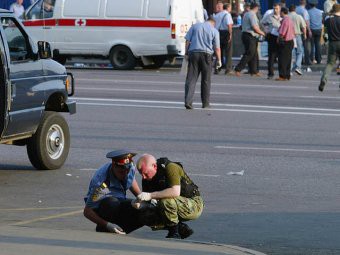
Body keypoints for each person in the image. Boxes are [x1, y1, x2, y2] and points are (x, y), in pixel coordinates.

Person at [135, 154, 204, 239]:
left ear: (154, 166)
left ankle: (174, 233)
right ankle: (180, 227)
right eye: (141, 174)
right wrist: (140, 204)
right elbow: (149, 200)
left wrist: (150, 195)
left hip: (193, 204)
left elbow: (175, 192)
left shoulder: (171, 167)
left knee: (166, 201)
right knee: (144, 215)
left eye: (145, 173)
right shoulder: (147, 179)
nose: (143, 177)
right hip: (173, 204)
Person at [83, 149, 145, 234]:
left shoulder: (130, 168)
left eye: (127, 171)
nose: (125, 174)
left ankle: (123, 230)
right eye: (121, 172)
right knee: (112, 203)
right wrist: (107, 225)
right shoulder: (102, 185)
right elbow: (87, 211)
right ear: (113, 166)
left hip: (120, 201)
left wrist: (142, 198)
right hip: (105, 206)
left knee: (142, 209)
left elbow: (131, 181)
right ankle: (104, 228)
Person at [184, 17, 221, 110]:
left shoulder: (195, 26)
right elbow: (217, 48)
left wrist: (186, 53)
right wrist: (219, 60)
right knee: (206, 80)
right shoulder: (214, 30)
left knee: (191, 79)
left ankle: (188, 102)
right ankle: (205, 103)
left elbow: (187, 41)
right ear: (213, 23)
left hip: (193, 54)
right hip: (207, 56)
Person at [234, 3, 265, 77]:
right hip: (250, 35)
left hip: (246, 35)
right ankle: (237, 69)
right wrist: (263, 33)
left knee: (254, 54)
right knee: (250, 53)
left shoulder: (246, 14)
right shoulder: (252, 15)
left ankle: (254, 71)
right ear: (256, 8)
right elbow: (255, 27)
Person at [319, 4, 340, 91]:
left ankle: (324, 80)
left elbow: (325, 28)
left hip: (332, 44)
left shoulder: (329, 20)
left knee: (330, 64)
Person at [261, 3, 282, 79]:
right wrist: (266, 30)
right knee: (271, 56)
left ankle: (282, 74)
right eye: (274, 8)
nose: (275, 10)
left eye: (276, 8)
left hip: (281, 37)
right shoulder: (269, 16)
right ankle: (270, 73)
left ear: (280, 8)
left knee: (281, 56)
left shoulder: (283, 16)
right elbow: (262, 23)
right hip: (272, 37)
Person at [214, 3, 234, 74]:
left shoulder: (217, 15)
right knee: (228, 52)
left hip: (218, 33)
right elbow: (229, 25)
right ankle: (228, 69)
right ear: (228, 7)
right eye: (230, 8)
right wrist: (230, 34)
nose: (231, 9)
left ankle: (217, 69)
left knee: (219, 51)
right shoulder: (227, 14)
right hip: (225, 33)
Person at [276, 7, 295, 81]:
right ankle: (287, 75)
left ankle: (282, 75)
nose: (279, 13)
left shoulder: (285, 20)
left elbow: (282, 32)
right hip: (290, 41)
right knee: (288, 59)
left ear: (283, 12)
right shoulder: (290, 20)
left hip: (285, 41)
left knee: (282, 59)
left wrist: (278, 38)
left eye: (280, 12)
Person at [289, 4, 307, 75]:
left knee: (290, 53)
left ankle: (289, 69)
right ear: (295, 10)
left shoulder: (287, 17)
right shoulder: (299, 16)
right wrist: (305, 35)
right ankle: (297, 67)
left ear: (289, 10)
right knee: (299, 52)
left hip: (289, 36)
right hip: (297, 36)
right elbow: (303, 27)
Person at [296, 0, 312, 70]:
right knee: (306, 46)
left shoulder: (296, 9)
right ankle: (307, 61)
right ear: (305, 3)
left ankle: (300, 61)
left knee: (299, 47)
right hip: (304, 29)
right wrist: (309, 30)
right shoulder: (304, 11)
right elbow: (306, 21)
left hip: (297, 30)